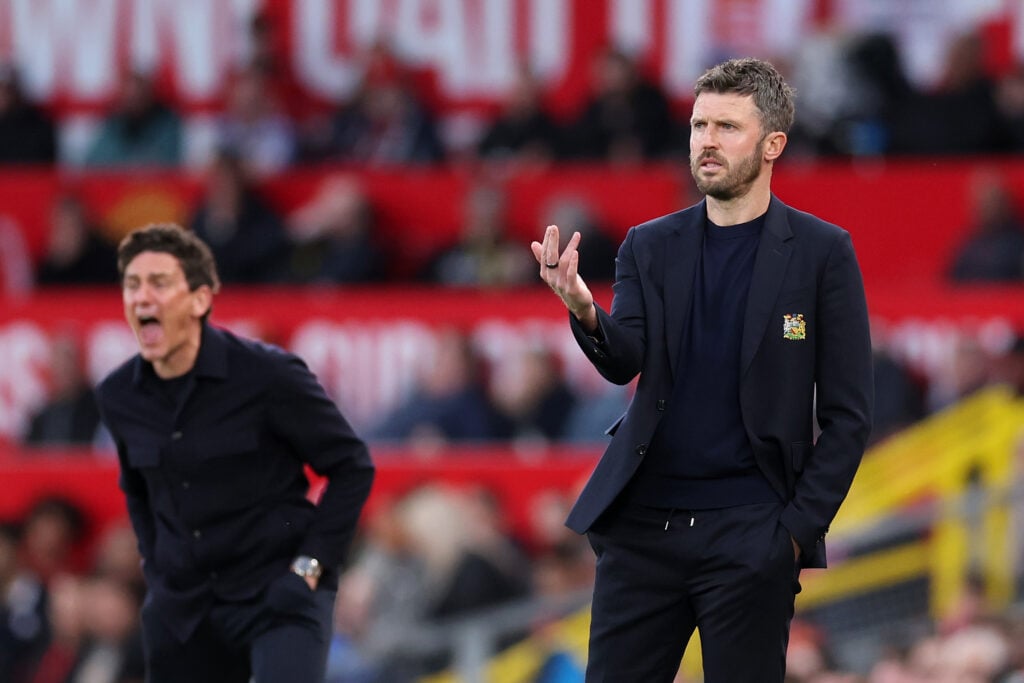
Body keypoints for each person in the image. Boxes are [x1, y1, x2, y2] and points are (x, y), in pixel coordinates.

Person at [531, 58, 873, 681]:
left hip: (752, 536)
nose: (706, 142)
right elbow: (624, 361)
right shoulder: (648, 244)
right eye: (698, 125)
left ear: (773, 145)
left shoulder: (824, 252)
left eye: (726, 127)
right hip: (642, 534)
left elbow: (849, 417)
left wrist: (791, 534)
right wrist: (584, 308)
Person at [93, 223, 375, 682]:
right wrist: (158, 573)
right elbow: (139, 494)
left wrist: (310, 567)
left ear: (201, 299)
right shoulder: (117, 395)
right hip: (185, 611)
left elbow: (351, 466)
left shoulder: (267, 375)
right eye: (131, 285)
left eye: (159, 284)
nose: (142, 297)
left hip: (277, 594)